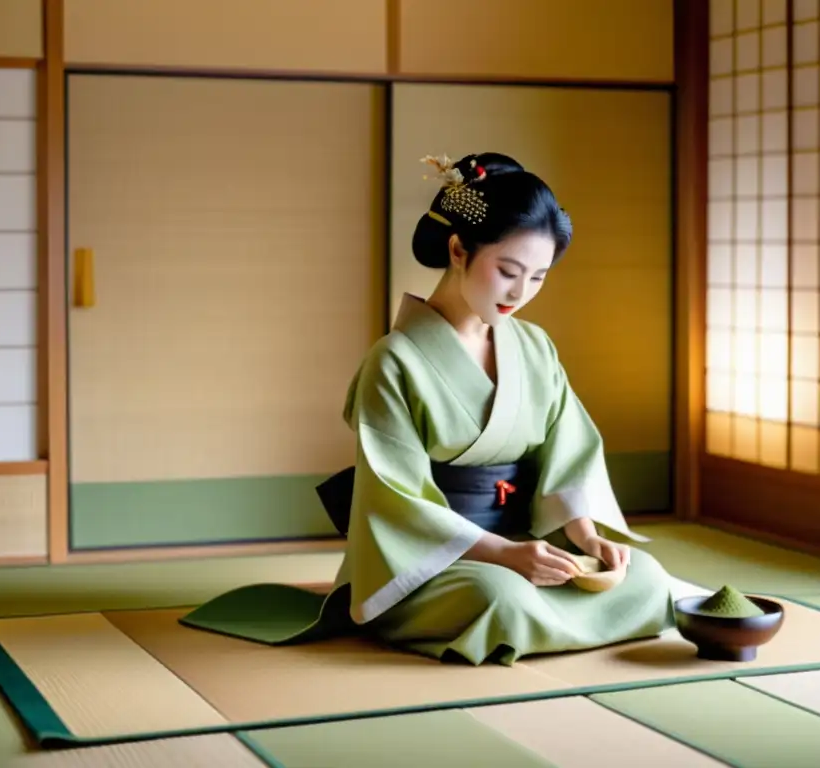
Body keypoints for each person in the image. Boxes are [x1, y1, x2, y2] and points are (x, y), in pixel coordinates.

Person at [181, 152, 676, 666]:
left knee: (645, 577)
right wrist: (503, 554)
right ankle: (492, 613)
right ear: (459, 250)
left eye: (538, 278)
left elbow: (569, 457)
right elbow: (395, 496)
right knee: (500, 601)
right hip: (433, 558)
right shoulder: (394, 361)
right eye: (508, 270)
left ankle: (545, 609)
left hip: (526, 538)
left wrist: (588, 536)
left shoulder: (535, 347)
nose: (519, 293)